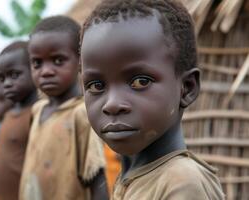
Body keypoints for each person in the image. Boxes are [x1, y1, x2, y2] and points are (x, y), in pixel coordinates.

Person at [80, 0, 225, 199]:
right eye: (97, 86)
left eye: (140, 81)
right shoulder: (132, 180)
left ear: (187, 88)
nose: (112, 104)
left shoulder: (182, 183)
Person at [19, 16, 107, 200]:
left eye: (58, 61)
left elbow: (98, 180)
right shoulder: (38, 110)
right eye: (37, 63)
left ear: (81, 61)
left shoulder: (82, 114)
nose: (46, 71)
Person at [0, 41, 38, 200]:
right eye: (2, 78)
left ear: (34, 69)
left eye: (14, 75)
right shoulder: (8, 115)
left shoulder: (37, 114)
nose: (7, 84)